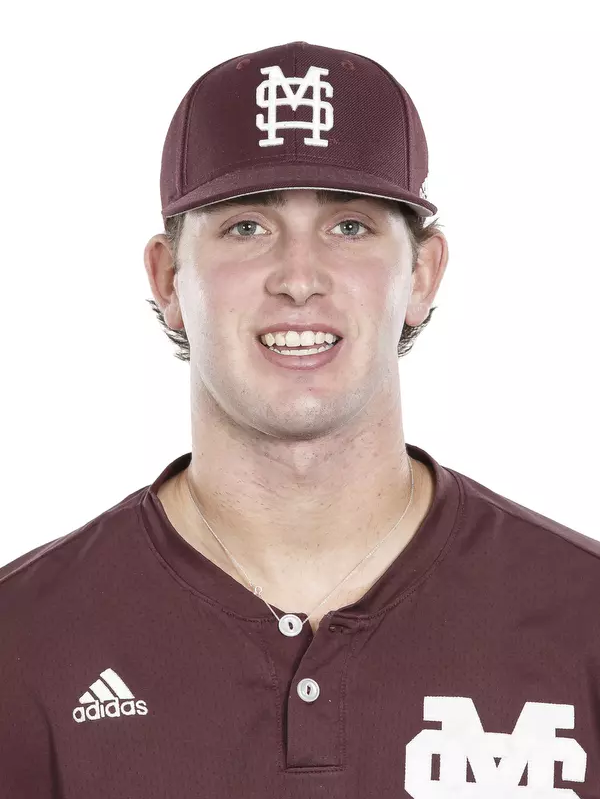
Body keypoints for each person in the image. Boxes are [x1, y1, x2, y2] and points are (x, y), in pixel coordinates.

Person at [1, 40, 599, 797]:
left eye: (349, 226)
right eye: (246, 227)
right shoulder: (22, 643)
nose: (298, 279)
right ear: (168, 279)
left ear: (422, 273)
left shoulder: (583, 618)